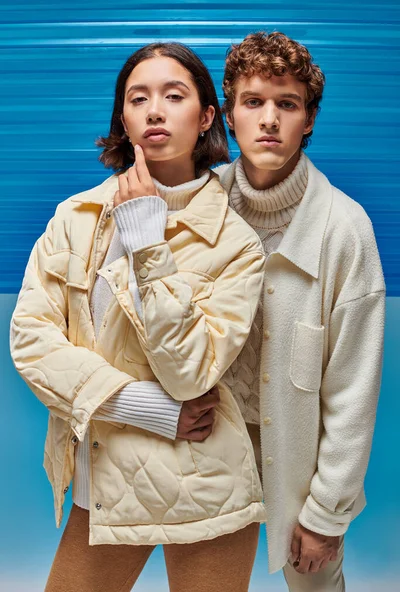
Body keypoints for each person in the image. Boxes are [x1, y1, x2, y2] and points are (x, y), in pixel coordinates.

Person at [10, 42, 268, 592]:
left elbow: (190, 373)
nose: (155, 110)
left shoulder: (237, 245)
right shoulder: (75, 217)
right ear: (122, 119)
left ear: (204, 118)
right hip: (104, 479)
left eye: (174, 96)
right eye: (138, 97)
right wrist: (145, 407)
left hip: (205, 485)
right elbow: (31, 341)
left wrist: (148, 239)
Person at [213, 31, 386, 591]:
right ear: (229, 115)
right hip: (210, 447)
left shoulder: (346, 227)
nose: (269, 119)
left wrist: (327, 512)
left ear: (307, 119)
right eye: (253, 102)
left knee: (314, 581)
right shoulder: (198, 203)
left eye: (286, 104)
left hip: (298, 459)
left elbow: (353, 389)